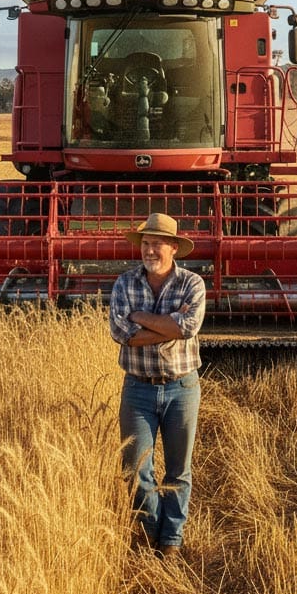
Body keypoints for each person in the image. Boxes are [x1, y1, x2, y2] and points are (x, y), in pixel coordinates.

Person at [109, 212, 206, 560]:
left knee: (179, 470)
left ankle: (171, 542)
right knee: (135, 468)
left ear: (174, 248)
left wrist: (140, 318)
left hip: (182, 388)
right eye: (145, 243)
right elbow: (120, 333)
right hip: (137, 388)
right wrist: (168, 325)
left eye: (157, 244)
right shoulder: (124, 283)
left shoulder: (192, 284)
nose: (149, 250)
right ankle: (152, 532)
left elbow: (189, 326)